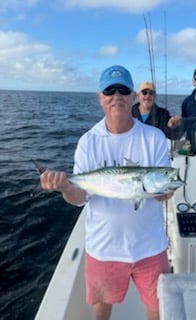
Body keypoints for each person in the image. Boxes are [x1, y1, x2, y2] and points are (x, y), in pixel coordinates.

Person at [40, 65, 172, 320]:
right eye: (109, 90)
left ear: (133, 96)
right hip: (104, 248)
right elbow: (79, 198)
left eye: (123, 89)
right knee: (101, 311)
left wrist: (163, 190)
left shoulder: (154, 137)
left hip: (150, 246)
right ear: (100, 97)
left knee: (158, 308)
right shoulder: (88, 142)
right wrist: (67, 186)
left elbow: (157, 187)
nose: (116, 96)